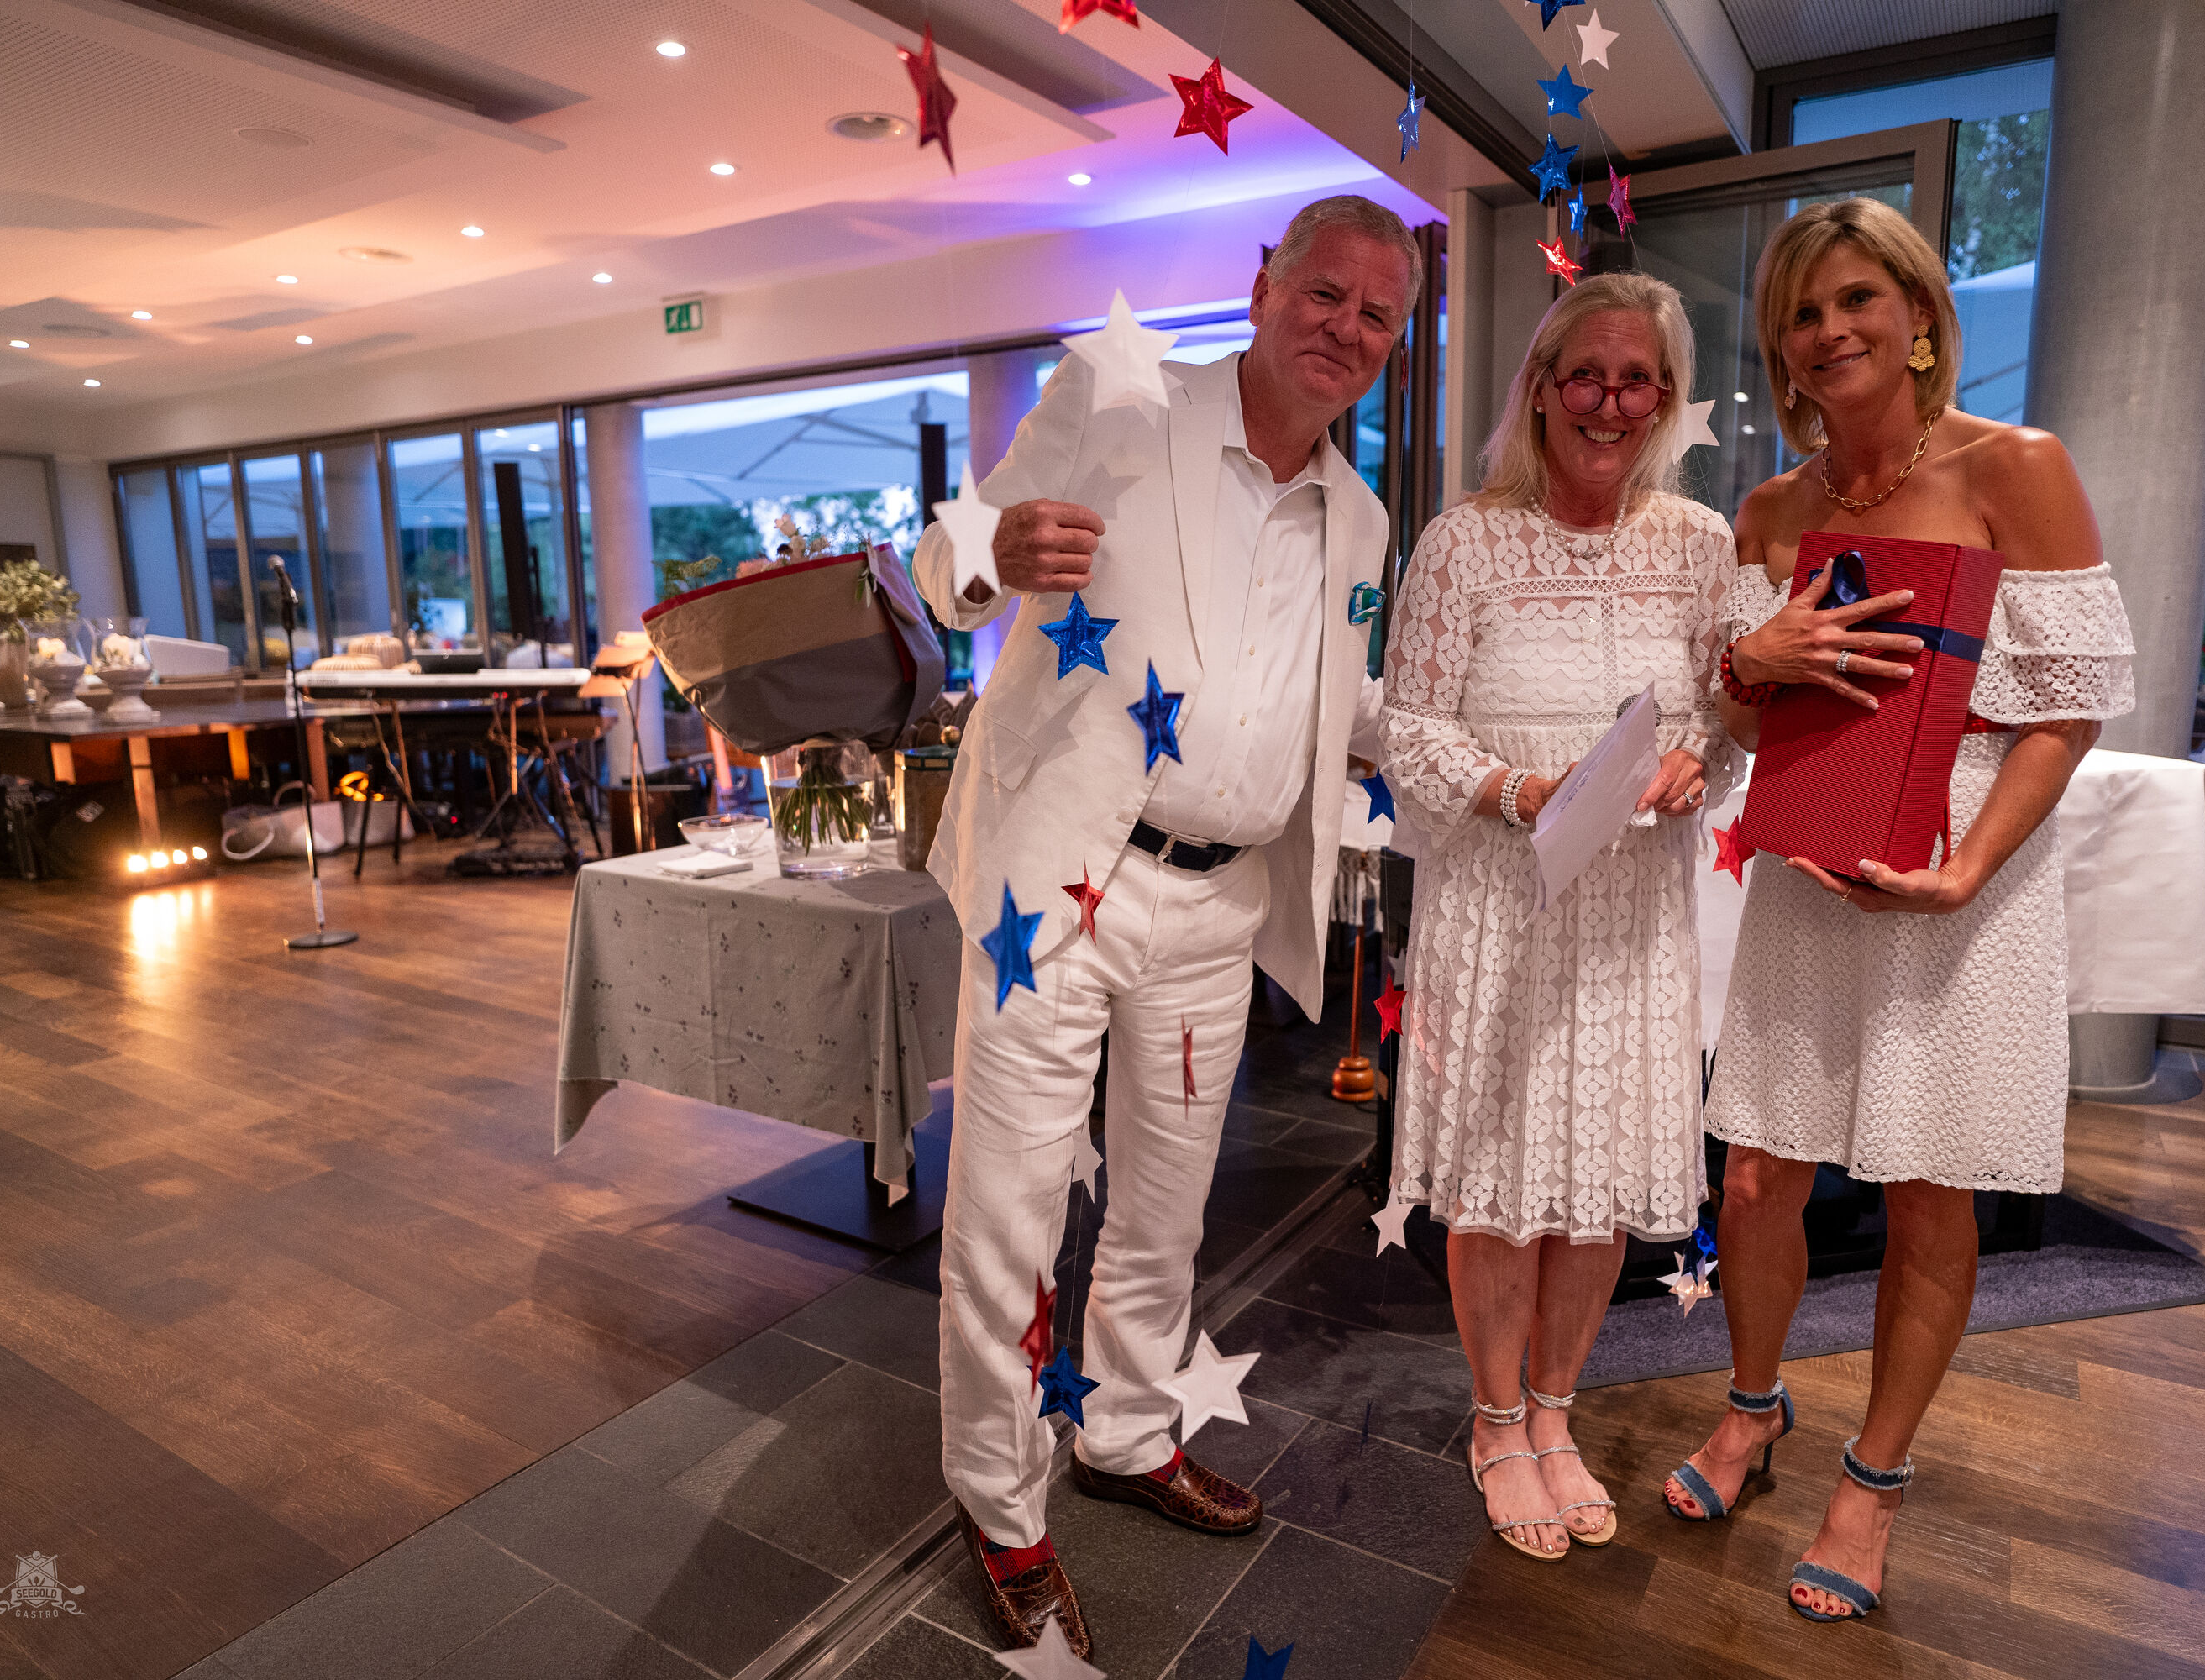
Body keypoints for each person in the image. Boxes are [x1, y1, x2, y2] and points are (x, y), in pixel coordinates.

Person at [910, 195, 1416, 1659]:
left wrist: (1490, 761)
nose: (1346, 329)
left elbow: (1333, 705)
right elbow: (946, 561)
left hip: (1218, 902)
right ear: (1263, 287)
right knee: (1010, 1212)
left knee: (1166, 1208)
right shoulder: (1117, 396)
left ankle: (1127, 1433)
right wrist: (996, 547)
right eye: (1325, 294)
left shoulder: (1363, 518)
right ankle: (1002, 1506)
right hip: (1056, 884)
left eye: (1377, 316)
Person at [1662, 198, 2135, 1623]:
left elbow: (2068, 707)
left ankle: (1873, 1480)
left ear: (1921, 315)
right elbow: (1744, 725)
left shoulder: (2015, 467)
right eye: (1803, 314)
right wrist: (1747, 661)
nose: (1831, 331)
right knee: (1757, 1176)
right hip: (1811, 866)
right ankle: (1754, 1406)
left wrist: (1969, 865)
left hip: (1963, 880)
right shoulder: (1770, 513)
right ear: (1782, 349)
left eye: (1858, 298)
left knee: (1930, 1188)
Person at [1378, 271, 1731, 1562]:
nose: (1610, 402)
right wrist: (1517, 789)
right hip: (1498, 900)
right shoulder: (1463, 541)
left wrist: (1695, 765)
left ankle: (1554, 1412)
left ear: (1668, 399)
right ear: (1540, 389)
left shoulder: (1702, 544)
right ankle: (1492, 1423)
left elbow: (1722, 719)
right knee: (1497, 1178)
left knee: (1592, 1185)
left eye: (1639, 380)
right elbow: (1408, 726)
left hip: (1632, 917)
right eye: (1587, 374)